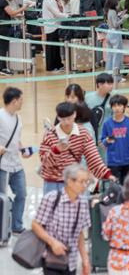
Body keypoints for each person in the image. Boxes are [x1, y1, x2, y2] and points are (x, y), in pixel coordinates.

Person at [40, 102, 113, 194]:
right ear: (58, 118)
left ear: (74, 115)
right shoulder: (50, 135)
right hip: (53, 182)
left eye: (69, 118)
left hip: (74, 180)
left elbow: (93, 157)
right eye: (63, 119)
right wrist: (56, 150)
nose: (66, 122)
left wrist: (107, 174)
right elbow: (45, 162)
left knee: (77, 207)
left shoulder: (83, 134)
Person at [32, 164, 92, 275]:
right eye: (82, 181)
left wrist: (85, 260)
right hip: (51, 259)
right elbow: (36, 225)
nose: (85, 186)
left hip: (71, 262)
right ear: (69, 181)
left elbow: (80, 234)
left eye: (87, 182)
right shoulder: (52, 198)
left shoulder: (83, 203)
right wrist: (53, 242)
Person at [0, 87, 31, 235]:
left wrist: (23, 149)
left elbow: (17, 140)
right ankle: (3, 227)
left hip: (16, 164)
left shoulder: (19, 118)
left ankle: (17, 226)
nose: (22, 102)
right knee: (2, 197)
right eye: (21, 100)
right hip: (2, 165)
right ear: (14, 101)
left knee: (22, 193)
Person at [100, 95, 129, 185]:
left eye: (119, 105)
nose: (117, 108)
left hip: (127, 161)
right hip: (113, 162)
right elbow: (102, 142)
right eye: (114, 106)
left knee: (126, 185)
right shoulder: (107, 124)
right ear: (111, 107)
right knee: (115, 186)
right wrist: (107, 141)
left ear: (124, 107)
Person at [42, 0, 67, 71]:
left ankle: (58, 65)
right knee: (51, 48)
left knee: (55, 47)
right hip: (51, 26)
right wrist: (68, 15)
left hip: (55, 25)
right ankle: (51, 67)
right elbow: (57, 14)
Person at [85, 73, 115, 140]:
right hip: (90, 135)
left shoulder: (113, 99)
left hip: (106, 135)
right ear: (100, 84)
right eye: (109, 84)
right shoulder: (87, 97)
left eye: (112, 83)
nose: (111, 86)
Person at [105, 0, 126, 76]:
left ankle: (109, 74)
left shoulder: (109, 11)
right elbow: (115, 24)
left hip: (109, 33)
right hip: (115, 35)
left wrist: (119, 16)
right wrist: (123, 18)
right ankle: (116, 76)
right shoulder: (113, 12)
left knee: (110, 55)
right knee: (117, 56)